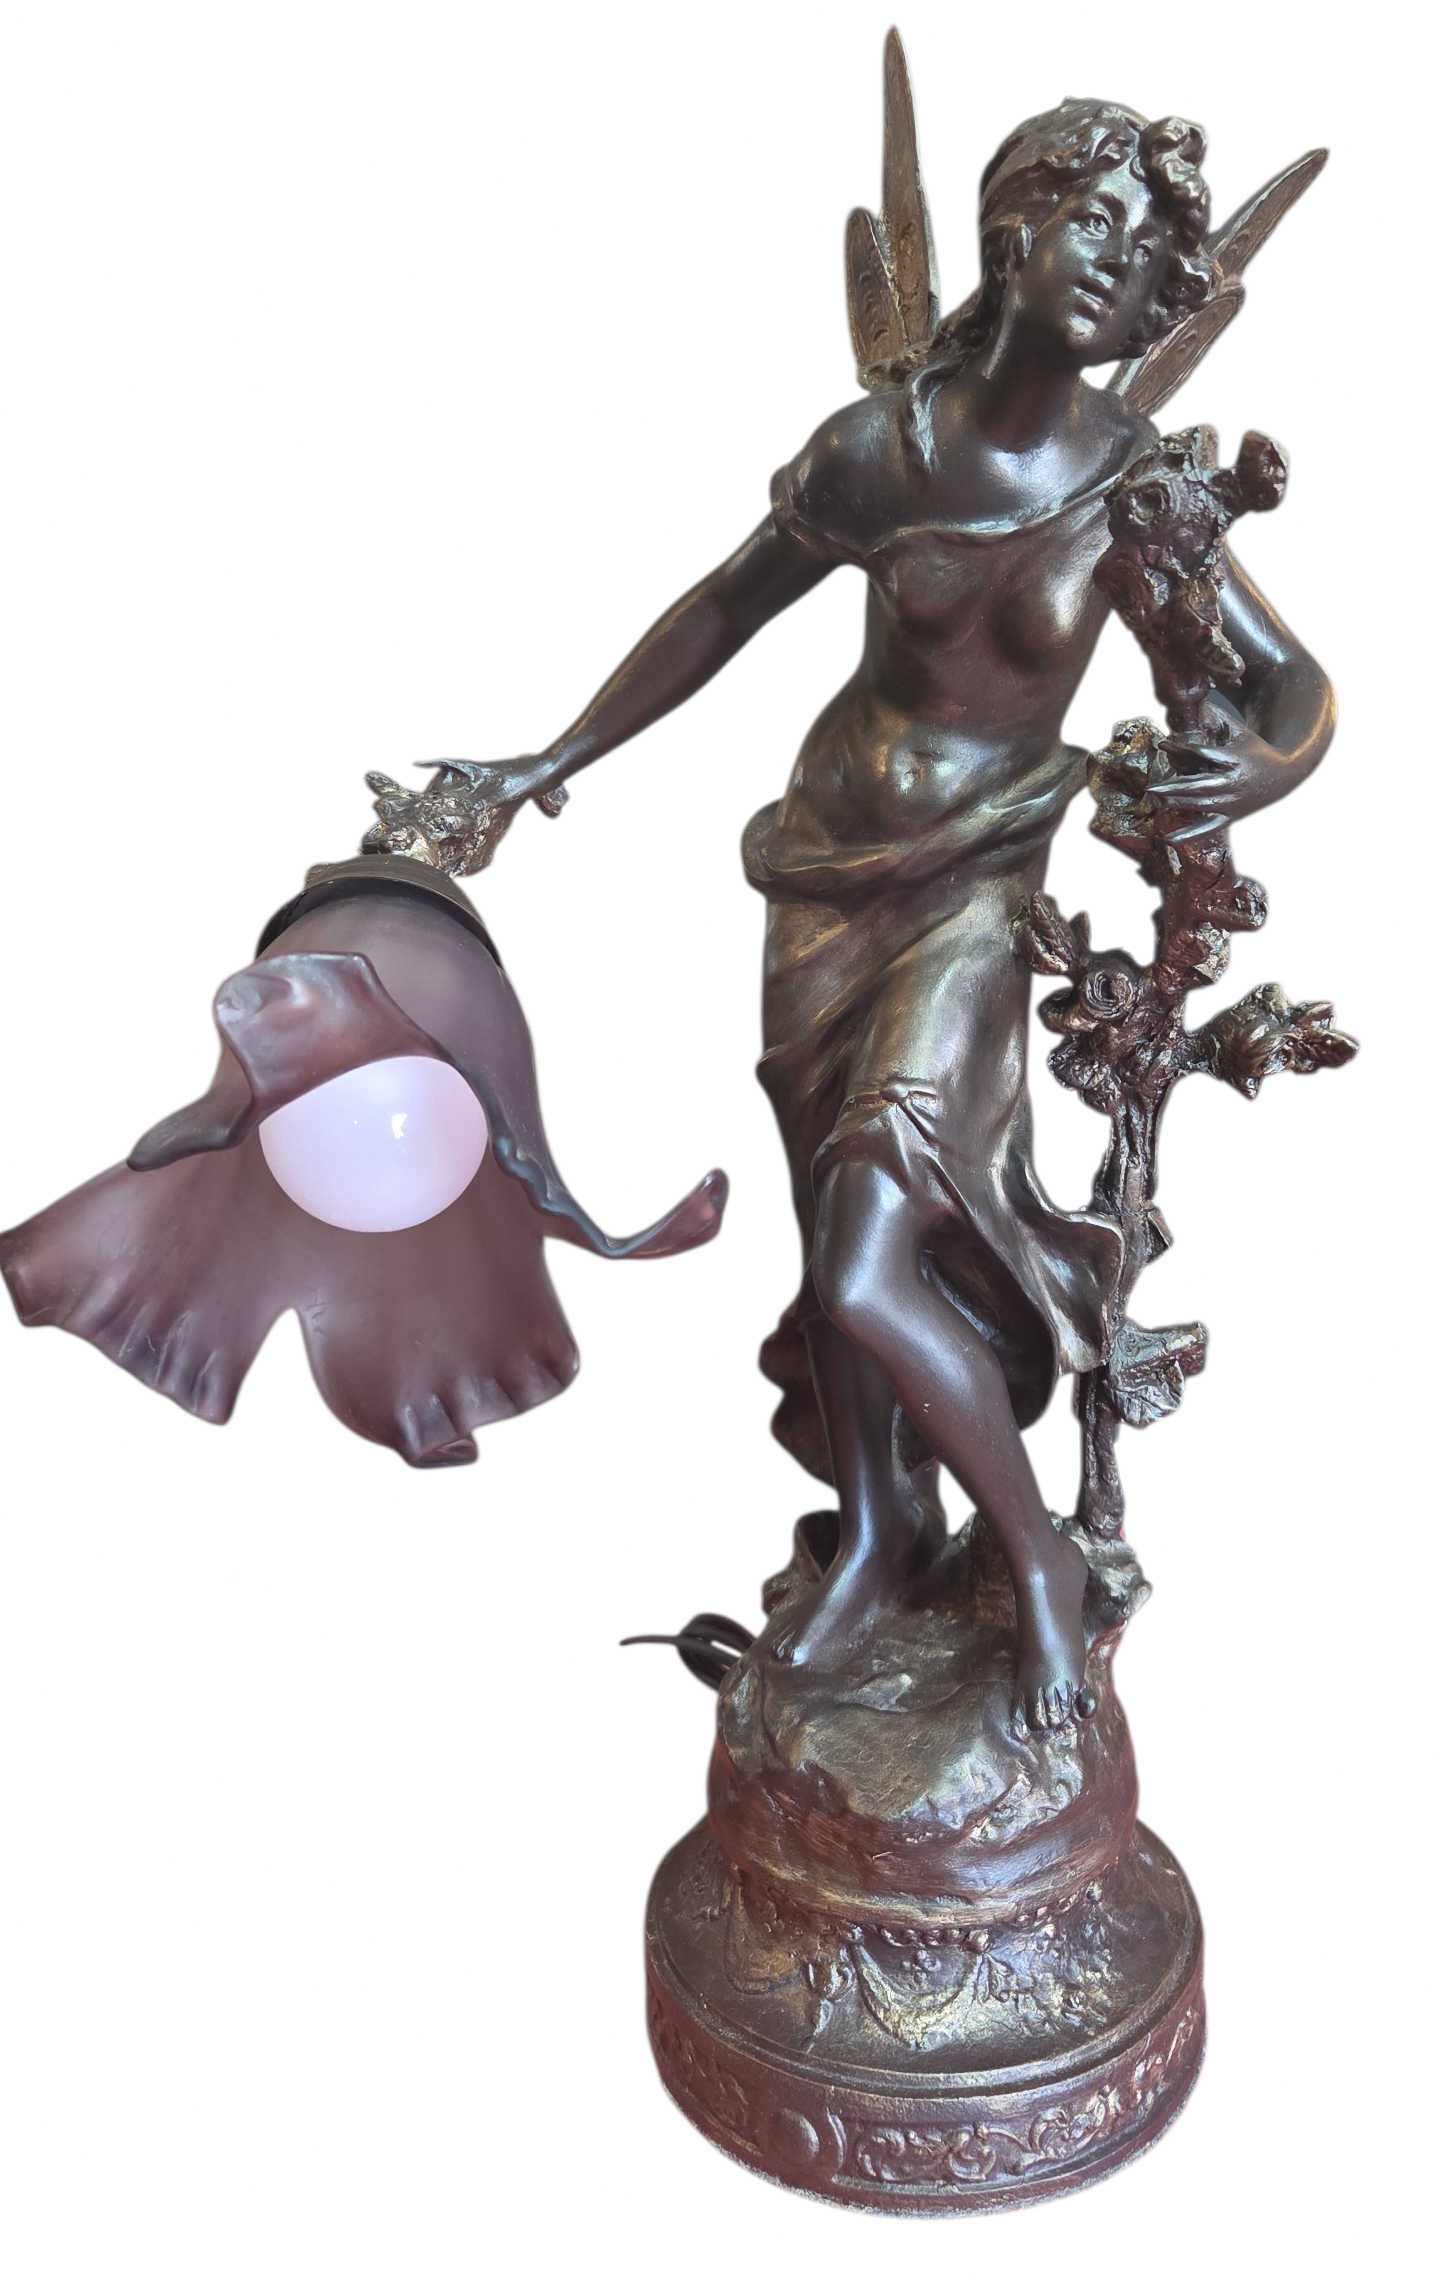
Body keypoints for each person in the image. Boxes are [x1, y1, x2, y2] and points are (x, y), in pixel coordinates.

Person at [430, 101, 1335, 1730]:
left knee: (870, 1250)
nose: (1117, 265)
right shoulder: (884, 450)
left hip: (979, 895)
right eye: (1094, 221)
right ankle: (873, 1534)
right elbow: (723, 605)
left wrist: (1253, 775)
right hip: (827, 879)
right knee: (830, 1233)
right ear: (1015, 229)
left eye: (1149, 256)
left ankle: (1037, 1565)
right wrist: (543, 761)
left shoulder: (1138, 494)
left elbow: (1291, 686)